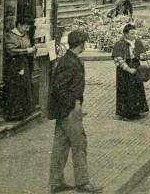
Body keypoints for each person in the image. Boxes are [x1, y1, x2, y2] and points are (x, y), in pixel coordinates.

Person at [48, 30, 103, 193]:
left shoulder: (69, 59)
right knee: (79, 143)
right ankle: (82, 182)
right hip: (69, 109)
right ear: (81, 44)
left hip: (64, 109)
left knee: (61, 145)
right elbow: (59, 88)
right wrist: (73, 104)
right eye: (84, 42)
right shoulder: (69, 62)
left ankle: (56, 182)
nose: (85, 45)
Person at [111, 24, 149, 120]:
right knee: (126, 90)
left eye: (135, 33)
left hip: (136, 67)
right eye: (132, 33)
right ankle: (126, 113)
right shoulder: (119, 44)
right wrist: (128, 69)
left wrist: (142, 56)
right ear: (126, 34)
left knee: (137, 89)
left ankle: (137, 111)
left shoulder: (138, 43)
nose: (134, 35)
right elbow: (118, 59)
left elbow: (141, 54)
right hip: (124, 71)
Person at [3, 18, 36, 121]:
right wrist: (27, 50)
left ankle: (23, 112)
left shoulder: (25, 35)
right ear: (19, 25)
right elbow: (11, 51)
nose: (27, 29)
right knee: (16, 89)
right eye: (26, 27)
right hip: (14, 66)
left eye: (28, 27)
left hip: (24, 64)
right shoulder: (10, 35)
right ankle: (14, 114)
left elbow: (28, 45)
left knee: (24, 87)